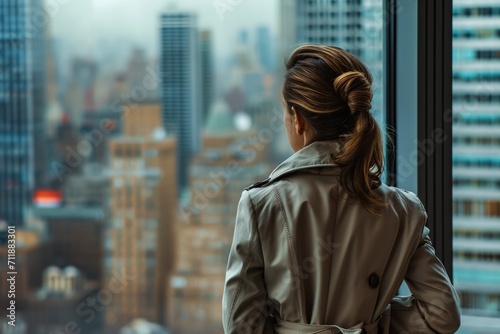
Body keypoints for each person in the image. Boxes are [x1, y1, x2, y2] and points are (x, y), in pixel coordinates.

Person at [222, 45, 461, 334]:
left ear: (297, 120)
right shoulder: (404, 210)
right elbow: (442, 315)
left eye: (285, 112)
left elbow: (241, 325)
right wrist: (370, 323)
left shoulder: (260, 204)